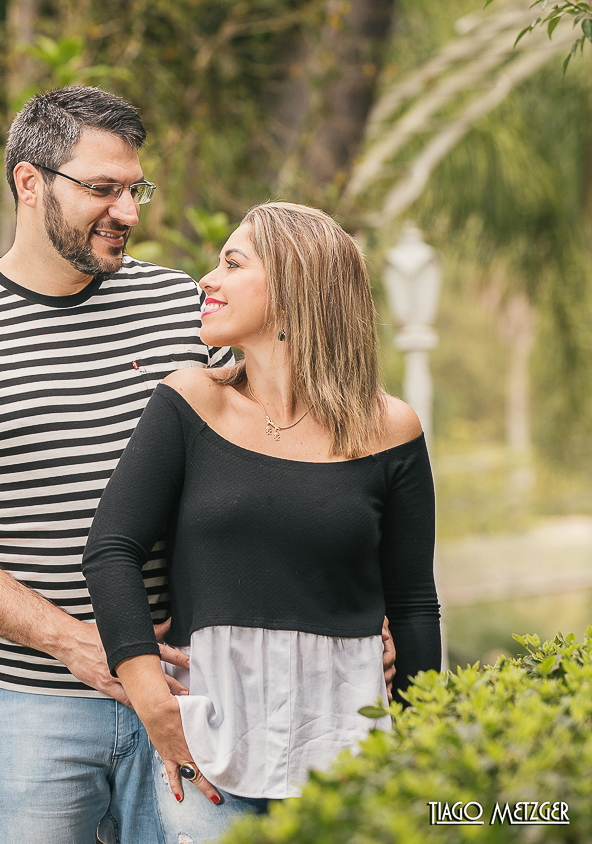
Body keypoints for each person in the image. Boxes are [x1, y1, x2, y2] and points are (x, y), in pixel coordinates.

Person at [0, 87, 394, 842]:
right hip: (24, 707)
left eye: (135, 189)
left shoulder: (185, 307)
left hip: (197, 695)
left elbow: (299, 450)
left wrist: (349, 613)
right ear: (29, 183)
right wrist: (77, 644)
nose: (128, 211)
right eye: (102, 189)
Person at [82, 201, 442, 843]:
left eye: (232, 263)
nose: (206, 281)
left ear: (295, 286)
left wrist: (422, 737)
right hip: (212, 750)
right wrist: (149, 693)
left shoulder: (390, 428)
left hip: (350, 748)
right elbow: (112, 548)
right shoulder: (192, 400)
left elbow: (414, 600)